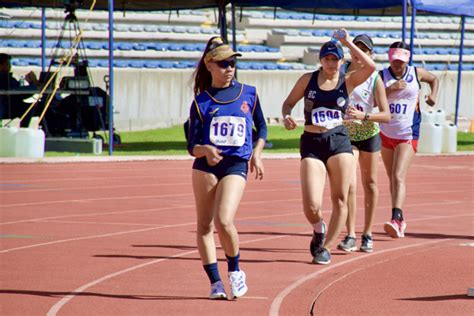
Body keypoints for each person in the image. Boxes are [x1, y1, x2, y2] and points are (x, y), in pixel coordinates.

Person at [282, 29, 376, 265]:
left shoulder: (348, 80)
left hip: (338, 140)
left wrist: (346, 42)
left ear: (342, 60)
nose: (332, 63)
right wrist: (286, 116)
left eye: (336, 59)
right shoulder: (308, 79)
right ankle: (318, 227)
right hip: (312, 142)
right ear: (321, 60)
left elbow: (371, 66)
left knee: (340, 198)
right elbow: (288, 103)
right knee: (312, 204)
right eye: (328, 59)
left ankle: (326, 247)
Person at [187, 36, 267, 299]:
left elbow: (262, 128)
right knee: (204, 226)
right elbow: (191, 146)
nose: (229, 68)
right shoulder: (201, 102)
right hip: (205, 166)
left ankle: (235, 271)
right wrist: (205, 150)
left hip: (235, 164)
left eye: (232, 62)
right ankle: (215, 283)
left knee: (224, 220)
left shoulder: (249, 93)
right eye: (223, 63)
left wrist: (257, 153)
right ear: (209, 65)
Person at [336, 34, 390, 253]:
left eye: (363, 50)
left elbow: (386, 115)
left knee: (370, 184)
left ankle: (367, 233)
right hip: (346, 134)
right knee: (348, 183)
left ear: (369, 54)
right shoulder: (340, 73)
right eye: (355, 49)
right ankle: (350, 234)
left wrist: (363, 115)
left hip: (368, 132)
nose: (358, 54)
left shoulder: (375, 78)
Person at [379, 41, 438, 238]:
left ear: (407, 59)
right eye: (395, 60)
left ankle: (396, 219)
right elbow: (373, 97)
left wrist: (433, 96)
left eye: (402, 61)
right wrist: (391, 89)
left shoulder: (416, 73)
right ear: (390, 58)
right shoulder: (382, 76)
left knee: (398, 176)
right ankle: (399, 219)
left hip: (407, 133)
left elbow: (434, 79)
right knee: (392, 178)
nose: (398, 64)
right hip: (386, 133)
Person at [0, 53, 40, 126]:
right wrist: (33, 83)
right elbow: (20, 93)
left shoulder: (7, 79)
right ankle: (24, 129)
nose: (10, 66)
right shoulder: (5, 78)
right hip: (7, 108)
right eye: (7, 64)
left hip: (8, 106)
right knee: (30, 107)